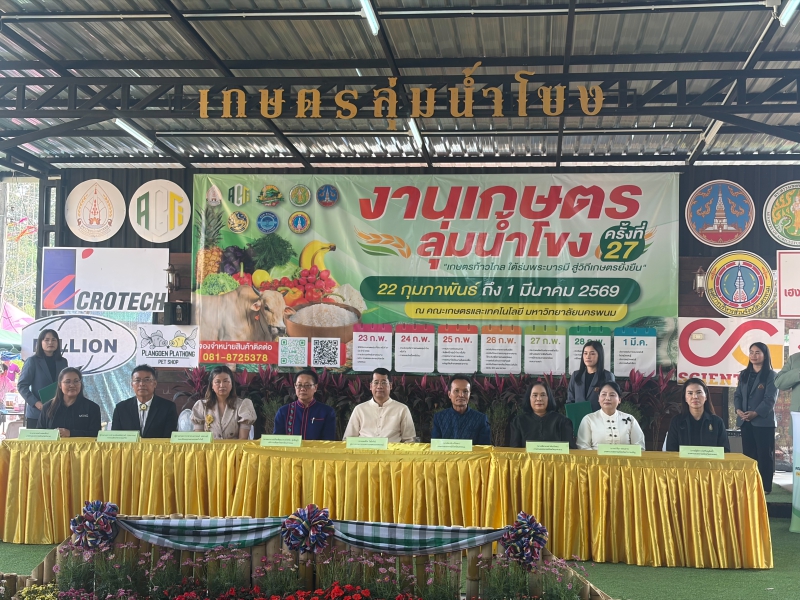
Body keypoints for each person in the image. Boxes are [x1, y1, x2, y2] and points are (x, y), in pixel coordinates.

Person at [734, 342, 777, 493]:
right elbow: (737, 395)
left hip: (763, 422)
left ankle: (765, 487)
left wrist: (755, 413)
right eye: (751, 352)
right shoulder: (744, 374)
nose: (753, 355)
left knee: (764, 455)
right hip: (745, 421)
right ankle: (750, 486)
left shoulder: (771, 375)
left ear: (765, 355)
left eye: (757, 352)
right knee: (749, 455)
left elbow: (770, 400)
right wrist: (738, 410)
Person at [343, 368, 416, 442]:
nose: (379, 386)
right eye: (376, 382)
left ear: (390, 386)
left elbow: (409, 440)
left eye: (384, 382)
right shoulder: (359, 409)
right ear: (371, 386)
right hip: (364, 449)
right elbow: (348, 439)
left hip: (392, 449)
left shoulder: (402, 409)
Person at [18, 329, 68, 430]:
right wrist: (37, 403)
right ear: (40, 342)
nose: (50, 342)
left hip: (58, 412)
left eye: (54, 340)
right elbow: (22, 386)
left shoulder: (63, 362)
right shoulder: (32, 361)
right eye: (47, 340)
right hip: (37, 413)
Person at [111, 365, 178, 438]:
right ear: (132, 385)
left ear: (155, 384)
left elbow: (169, 438)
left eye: (147, 380)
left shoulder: (168, 408)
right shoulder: (121, 408)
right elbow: (115, 438)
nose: (142, 384)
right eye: (137, 380)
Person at [191, 365, 256, 440]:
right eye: (217, 382)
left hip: (234, 448)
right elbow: (199, 441)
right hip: (209, 448)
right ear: (212, 385)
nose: (222, 385)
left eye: (225, 381)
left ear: (231, 384)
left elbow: (242, 440)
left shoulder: (243, 405)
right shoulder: (201, 406)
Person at [665, 377, 730, 452]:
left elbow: (725, 451)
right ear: (685, 398)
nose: (695, 397)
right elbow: (671, 451)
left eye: (699, 392)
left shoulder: (717, 422)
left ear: (706, 396)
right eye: (690, 393)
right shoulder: (676, 421)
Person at [576, 381, 646, 450]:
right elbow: (583, 446)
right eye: (604, 394)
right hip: (596, 457)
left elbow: (639, 446)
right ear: (598, 399)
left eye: (612, 395)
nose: (607, 398)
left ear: (619, 400)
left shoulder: (629, 419)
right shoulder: (589, 419)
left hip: (625, 457)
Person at [273, 368, 337, 440]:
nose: (302, 389)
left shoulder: (326, 412)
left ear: (315, 387)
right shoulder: (284, 411)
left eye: (307, 385)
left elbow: (328, 440)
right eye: (299, 385)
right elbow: (277, 440)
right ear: (295, 386)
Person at [37, 367, 101, 437]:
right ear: (60, 385)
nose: (72, 385)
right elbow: (39, 434)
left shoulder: (92, 408)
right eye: (67, 382)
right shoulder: (48, 407)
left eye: (76, 381)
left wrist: (71, 433)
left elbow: (96, 434)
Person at [510, 379, 574, 448]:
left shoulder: (562, 422)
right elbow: (514, 451)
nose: (539, 399)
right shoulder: (518, 422)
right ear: (529, 398)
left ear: (548, 398)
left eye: (543, 395)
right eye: (535, 395)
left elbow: (570, 450)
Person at [430, 375, 491, 445]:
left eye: (465, 391)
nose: (461, 395)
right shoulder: (439, 418)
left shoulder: (481, 419)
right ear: (449, 394)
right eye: (456, 391)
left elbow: (484, 448)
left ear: (469, 394)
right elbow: (436, 446)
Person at [566, 341, 615, 411]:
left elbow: (611, 401)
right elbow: (570, 400)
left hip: (598, 416)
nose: (588, 356)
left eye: (592, 354)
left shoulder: (607, 376)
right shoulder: (576, 375)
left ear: (599, 355)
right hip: (579, 416)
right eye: (585, 353)